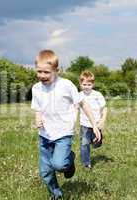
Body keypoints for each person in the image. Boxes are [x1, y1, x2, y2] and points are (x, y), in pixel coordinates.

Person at [31, 50, 101, 200]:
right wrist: (38, 119)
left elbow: (83, 104)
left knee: (59, 165)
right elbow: (37, 108)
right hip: (44, 135)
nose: (42, 75)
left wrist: (94, 125)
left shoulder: (66, 85)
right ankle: (56, 194)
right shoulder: (36, 88)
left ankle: (69, 159)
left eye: (46, 72)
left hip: (63, 133)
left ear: (57, 71)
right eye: (39, 71)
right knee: (46, 172)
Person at [77, 71, 107, 169]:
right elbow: (74, 108)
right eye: (84, 84)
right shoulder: (79, 95)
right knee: (84, 144)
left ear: (93, 84)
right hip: (85, 124)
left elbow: (104, 108)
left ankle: (98, 139)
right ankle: (86, 164)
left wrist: (102, 120)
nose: (86, 86)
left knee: (97, 143)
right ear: (80, 84)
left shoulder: (97, 94)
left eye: (89, 84)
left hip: (97, 124)